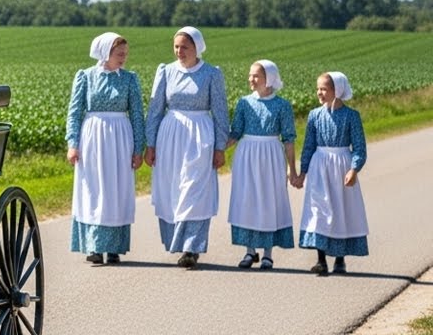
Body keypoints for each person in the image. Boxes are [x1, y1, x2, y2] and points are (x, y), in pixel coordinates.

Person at [144, 26, 229, 268]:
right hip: (170, 135)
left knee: (195, 190)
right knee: (172, 189)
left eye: (185, 47)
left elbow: (220, 111)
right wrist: (150, 143)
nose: (180, 51)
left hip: (200, 135)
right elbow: (155, 110)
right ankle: (177, 242)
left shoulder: (211, 73)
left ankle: (192, 247)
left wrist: (220, 146)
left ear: (197, 48)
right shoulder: (166, 71)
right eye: (177, 47)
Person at [66, 32, 146, 266]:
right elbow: (75, 112)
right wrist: (73, 143)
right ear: (105, 52)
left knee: (117, 190)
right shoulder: (86, 77)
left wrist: (138, 148)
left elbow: (138, 115)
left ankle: (114, 248)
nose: (123, 58)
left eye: (125, 54)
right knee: (93, 190)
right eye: (119, 53)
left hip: (121, 139)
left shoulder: (130, 79)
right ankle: (94, 246)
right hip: (92, 139)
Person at [227, 59, 298, 270]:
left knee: (269, 200)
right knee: (246, 199)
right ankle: (249, 252)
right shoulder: (244, 102)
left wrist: (292, 169)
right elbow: (235, 132)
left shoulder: (282, 106)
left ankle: (268, 253)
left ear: (269, 79)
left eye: (256, 75)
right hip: (246, 155)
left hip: (271, 156)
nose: (251, 79)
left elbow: (289, 139)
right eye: (250, 75)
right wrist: (217, 150)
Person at [299, 71, 369, 276]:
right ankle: (321, 260)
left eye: (324, 89)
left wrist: (354, 169)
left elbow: (359, 147)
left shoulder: (351, 116)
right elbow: (308, 145)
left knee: (340, 210)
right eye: (318, 89)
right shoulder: (314, 115)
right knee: (318, 209)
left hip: (341, 166)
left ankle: (340, 258)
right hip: (319, 166)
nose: (319, 93)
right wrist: (302, 172)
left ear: (336, 90)